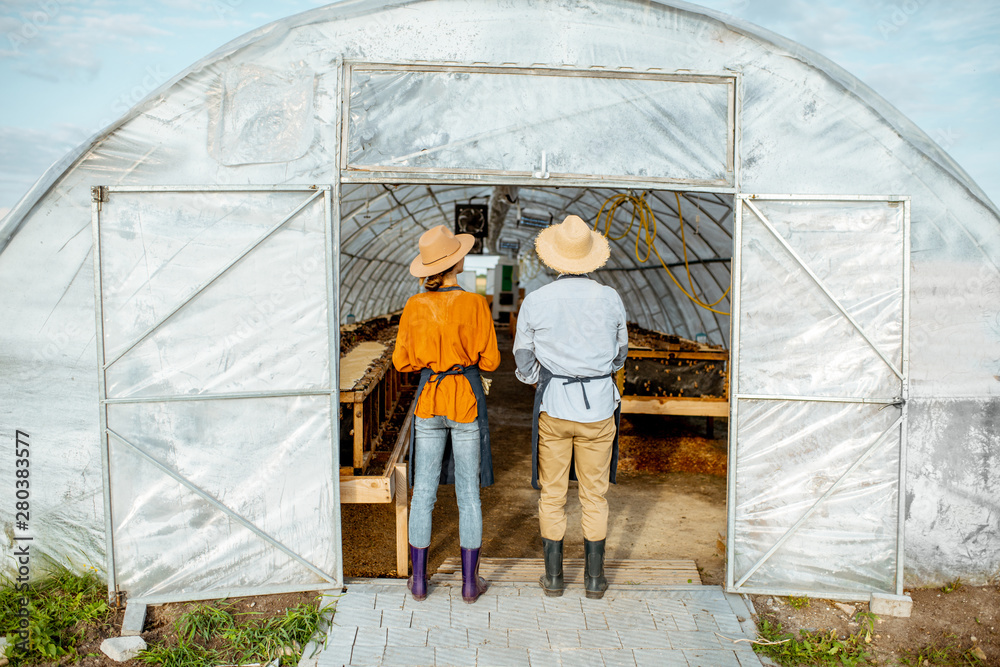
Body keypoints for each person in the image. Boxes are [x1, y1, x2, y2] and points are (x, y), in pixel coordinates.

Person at [513, 214, 628, 599]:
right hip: (598, 407)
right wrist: (598, 374)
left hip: (556, 407)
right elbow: (620, 354)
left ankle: (555, 578)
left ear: (553, 260)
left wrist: (537, 382)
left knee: (553, 493)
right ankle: (594, 581)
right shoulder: (610, 297)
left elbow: (524, 355)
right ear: (590, 258)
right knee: (594, 495)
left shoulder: (537, 300)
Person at [392, 224, 500, 604]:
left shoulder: (413, 306)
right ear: (458, 261)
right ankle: (471, 585)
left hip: (429, 401)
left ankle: (419, 582)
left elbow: (401, 361)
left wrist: (431, 358)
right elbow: (492, 360)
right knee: (469, 495)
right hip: (465, 401)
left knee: (423, 492)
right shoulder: (474, 304)